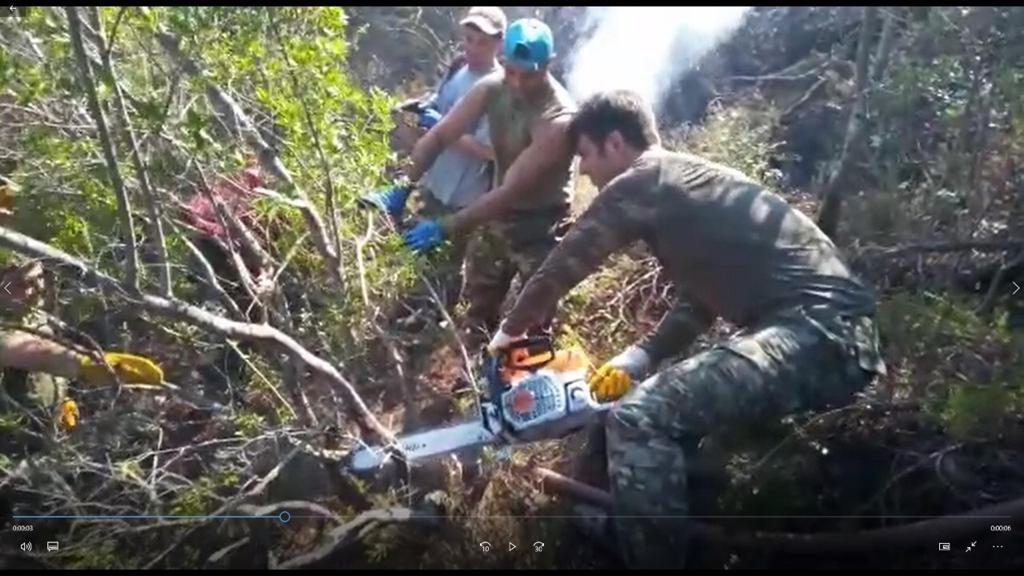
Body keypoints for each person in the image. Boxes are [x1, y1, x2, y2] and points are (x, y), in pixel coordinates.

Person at [487, 90, 886, 567]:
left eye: (586, 157)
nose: (586, 173)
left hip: (819, 335)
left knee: (639, 418)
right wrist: (640, 357)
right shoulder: (685, 183)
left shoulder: (646, 178)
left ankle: (652, 555)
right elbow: (699, 302)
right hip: (829, 336)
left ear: (615, 143)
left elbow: (570, 259)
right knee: (649, 416)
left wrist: (509, 332)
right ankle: (653, 525)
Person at [370, 17, 578, 346]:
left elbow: (510, 190)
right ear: (505, 61)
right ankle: (477, 377)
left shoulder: (557, 120)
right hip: (498, 219)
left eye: (531, 74)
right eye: (512, 70)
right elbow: (439, 136)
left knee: (533, 324)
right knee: (479, 311)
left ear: (550, 64)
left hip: (542, 227)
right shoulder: (493, 88)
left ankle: (519, 383)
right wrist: (402, 186)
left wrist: (444, 226)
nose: (519, 82)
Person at [361, 6, 505, 303]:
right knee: (413, 258)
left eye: (483, 42)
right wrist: (424, 108)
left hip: (464, 196)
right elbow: (440, 103)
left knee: (446, 268)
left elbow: (490, 151)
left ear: (499, 44)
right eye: (469, 38)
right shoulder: (458, 67)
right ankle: (406, 310)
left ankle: (440, 323)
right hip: (434, 182)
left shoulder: (500, 89)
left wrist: (442, 125)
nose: (474, 48)